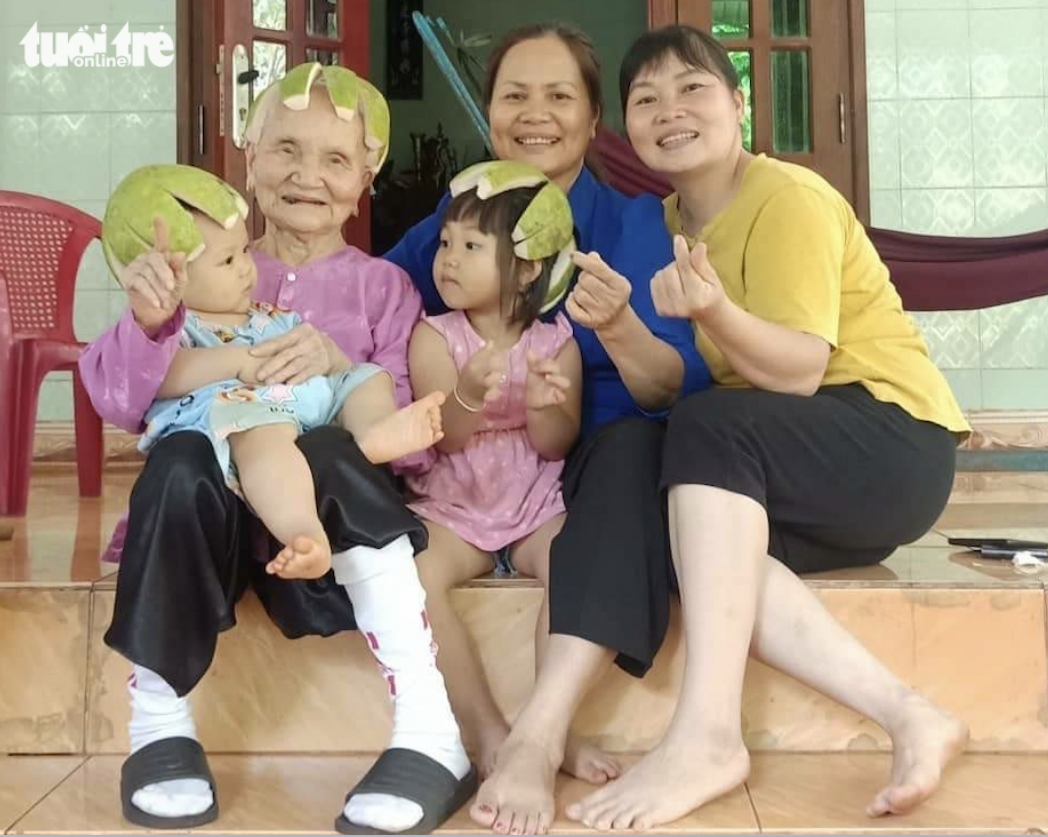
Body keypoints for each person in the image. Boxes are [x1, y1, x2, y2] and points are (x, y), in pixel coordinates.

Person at [563, 25, 971, 830]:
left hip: (890, 440)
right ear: (628, 128)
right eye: (646, 99)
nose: (668, 110)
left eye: (692, 89)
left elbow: (798, 371)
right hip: (802, 458)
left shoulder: (787, 196)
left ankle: (708, 734)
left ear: (739, 105)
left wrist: (712, 308)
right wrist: (618, 325)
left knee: (707, 431)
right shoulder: (670, 218)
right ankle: (912, 714)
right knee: (683, 531)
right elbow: (682, 381)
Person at [79, 63, 475, 835]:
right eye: (286, 149)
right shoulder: (198, 268)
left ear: (367, 176)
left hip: (324, 551)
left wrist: (337, 370)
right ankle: (160, 728)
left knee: (333, 447)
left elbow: (412, 450)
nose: (307, 175)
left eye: (335, 159)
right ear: (247, 156)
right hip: (208, 545)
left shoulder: (386, 291)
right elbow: (121, 400)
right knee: (179, 455)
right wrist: (151, 323)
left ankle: (430, 731)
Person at [384, 24, 711, 834]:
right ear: (489, 112)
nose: (536, 114)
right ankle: (484, 730)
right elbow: (375, 298)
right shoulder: (457, 223)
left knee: (630, 452)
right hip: (459, 478)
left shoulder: (635, 222)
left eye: (559, 95)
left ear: (594, 116)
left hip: (589, 468)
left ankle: (542, 729)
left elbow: (673, 383)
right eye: (514, 95)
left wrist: (618, 332)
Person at [112, 165, 445, 581]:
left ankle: (373, 432)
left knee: (369, 378)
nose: (245, 268)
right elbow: (160, 375)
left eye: (245, 252)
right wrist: (237, 360)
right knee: (265, 439)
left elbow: (328, 367)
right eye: (228, 260)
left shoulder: (267, 316)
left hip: (300, 408)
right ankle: (302, 532)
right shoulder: (178, 327)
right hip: (248, 421)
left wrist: (339, 366)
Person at [406, 160, 590, 778]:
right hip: (455, 500)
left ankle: (551, 726)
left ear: (530, 266)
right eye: (445, 243)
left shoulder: (555, 339)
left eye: (471, 246)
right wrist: (464, 396)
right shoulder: (433, 337)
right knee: (414, 575)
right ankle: (482, 727)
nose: (448, 259)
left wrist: (545, 409)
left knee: (577, 563)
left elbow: (556, 445)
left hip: (533, 500)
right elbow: (445, 441)